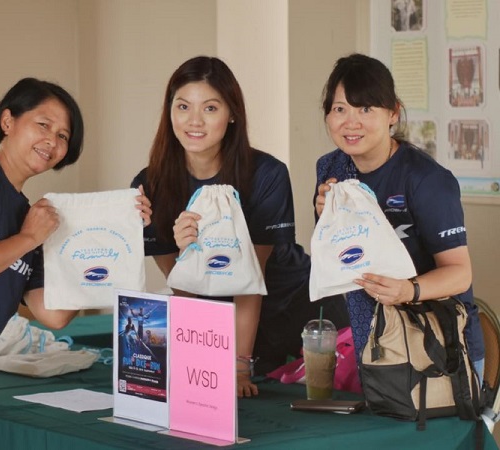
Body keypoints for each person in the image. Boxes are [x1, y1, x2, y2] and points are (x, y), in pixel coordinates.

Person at [0, 77, 152, 450]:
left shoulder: (30, 217)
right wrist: (30, 238)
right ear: (8, 121)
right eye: (43, 124)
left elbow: (53, 314)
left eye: (63, 135)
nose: (53, 140)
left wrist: (119, 237)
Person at [131, 56, 348, 397]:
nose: (194, 121)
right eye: (183, 106)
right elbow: (183, 284)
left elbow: (251, 282)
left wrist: (238, 366)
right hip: (221, 321)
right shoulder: (150, 185)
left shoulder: (267, 175)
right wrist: (204, 357)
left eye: (210, 108)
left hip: (292, 309)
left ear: (232, 113)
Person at [313, 53, 485, 382]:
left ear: (393, 113)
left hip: (439, 348)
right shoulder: (331, 168)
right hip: (372, 342)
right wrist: (327, 219)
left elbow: (459, 274)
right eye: (340, 109)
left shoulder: (426, 179)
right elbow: (340, 261)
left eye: (366, 109)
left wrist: (409, 290)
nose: (351, 122)